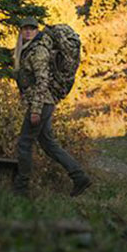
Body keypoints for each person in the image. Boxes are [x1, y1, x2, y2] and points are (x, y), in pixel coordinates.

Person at [12, 17, 91, 197]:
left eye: (32, 29)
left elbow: (42, 81)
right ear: (21, 31)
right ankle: (79, 177)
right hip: (44, 102)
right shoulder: (28, 49)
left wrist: (36, 110)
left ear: (37, 30)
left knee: (24, 143)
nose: (28, 32)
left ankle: (21, 190)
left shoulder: (38, 51)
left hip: (42, 103)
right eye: (25, 29)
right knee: (48, 143)